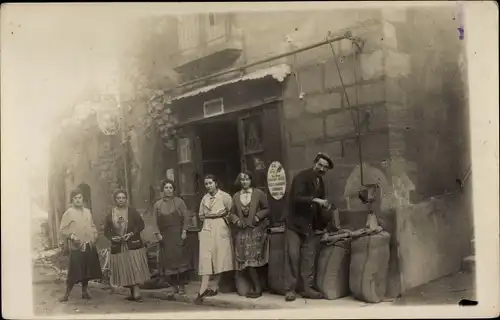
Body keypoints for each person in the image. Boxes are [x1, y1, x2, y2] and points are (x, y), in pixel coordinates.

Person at [284, 152, 339, 302]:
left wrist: (323, 225)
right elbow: (296, 198)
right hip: (294, 225)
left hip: (310, 226)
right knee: (293, 256)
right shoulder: (302, 177)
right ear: (314, 163)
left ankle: (307, 288)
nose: (322, 168)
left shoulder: (320, 182)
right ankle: (290, 289)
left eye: (325, 167)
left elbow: (319, 208)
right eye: (320, 165)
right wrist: (316, 200)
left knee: (308, 258)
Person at [104, 189, 150, 302]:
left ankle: (137, 293)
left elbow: (141, 225)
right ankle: (132, 293)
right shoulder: (111, 213)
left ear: (126, 199)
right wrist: (112, 237)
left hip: (132, 244)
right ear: (115, 199)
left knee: (134, 267)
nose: (121, 200)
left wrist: (131, 233)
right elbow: (106, 230)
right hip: (119, 246)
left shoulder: (132, 211)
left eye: (123, 198)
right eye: (118, 198)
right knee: (124, 269)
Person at [195, 174, 234, 304]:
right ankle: (202, 289)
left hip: (220, 227)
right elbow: (200, 215)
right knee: (205, 259)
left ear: (216, 183)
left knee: (220, 257)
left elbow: (231, 212)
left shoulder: (225, 196)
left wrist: (221, 217)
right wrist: (209, 216)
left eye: (210, 183)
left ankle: (215, 286)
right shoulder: (204, 198)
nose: (208, 186)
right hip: (207, 227)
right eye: (206, 184)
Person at [230, 171, 270, 298]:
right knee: (246, 260)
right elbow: (232, 213)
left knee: (255, 261)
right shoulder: (236, 196)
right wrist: (236, 220)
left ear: (251, 180)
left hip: (256, 231)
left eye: (247, 179)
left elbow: (267, 208)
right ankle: (255, 286)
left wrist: (258, 216)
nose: (244, 182)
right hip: (243, 232)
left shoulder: (258, 193)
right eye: (242, 180)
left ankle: (258, 287)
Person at [59, 188, 102, 302]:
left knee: (87, 269)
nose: (78, 200)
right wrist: (72, 237)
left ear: (83, 199)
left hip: (88, 244)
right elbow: (62, 229)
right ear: (72, 200)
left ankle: (84, 291)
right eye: (75, 198)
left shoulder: (87, 211)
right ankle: (66, 294)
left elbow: (92, 225)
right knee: (74, 271)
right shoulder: (68, 213)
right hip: (77, 245)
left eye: (80, 198)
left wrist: (95, 234)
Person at [153, 179, 191, 294]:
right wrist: (158, 234)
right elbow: (154, 221)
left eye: (170, 188)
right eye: (166, 188)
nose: (168, 190)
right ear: (163, 190)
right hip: (165, 236)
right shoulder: (158, 204)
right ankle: (174, 286)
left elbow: (186, 217)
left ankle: (182, 286)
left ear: (173, 190)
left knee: (180, 261)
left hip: (178, 234)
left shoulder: (179, 202)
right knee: (168, 263)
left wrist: (184, 231)